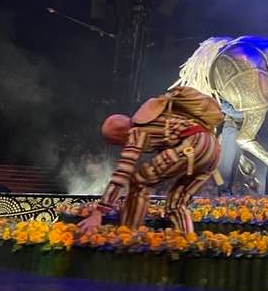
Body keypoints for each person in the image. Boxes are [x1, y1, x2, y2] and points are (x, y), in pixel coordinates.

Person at [78, 86, 224, 234]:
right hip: (213, 148)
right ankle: (186, 241)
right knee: (176, 203)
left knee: (138, 182)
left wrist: (99, 212)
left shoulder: (136, 130)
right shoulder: (159, 119)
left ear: (119, 133)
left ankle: (128, 236)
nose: (122, 146)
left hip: (194, 144)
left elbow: (122, 172)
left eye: (117, 142)